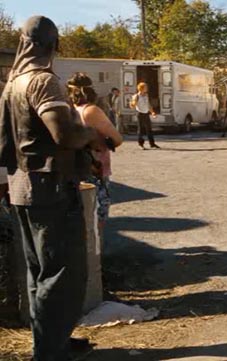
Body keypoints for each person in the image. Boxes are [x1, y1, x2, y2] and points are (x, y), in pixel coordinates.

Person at [0, 16, 100, 360]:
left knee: (39, 273)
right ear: (52, 44)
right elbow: (65, 135)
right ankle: (50, 352)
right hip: (51, 191)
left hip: (22, 190)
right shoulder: (42, 81)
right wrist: (89, 132)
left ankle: (50, 341)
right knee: (62, 275)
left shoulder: (13, 82)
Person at [67, 73, 123, 236]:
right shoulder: (91, 111)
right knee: (97, 217)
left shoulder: (70, 111)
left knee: (81, 217)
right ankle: (93, 257)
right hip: (95, 170)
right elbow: (117, 139)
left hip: (76, 170)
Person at [130, 82, 159, 150]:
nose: (147, 88)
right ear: (141, 88)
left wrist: (152, 112)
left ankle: (152, 144)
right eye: (145, 87)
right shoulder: (137, 96)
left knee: (149, 129)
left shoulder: (146, 95)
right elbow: (133, 105)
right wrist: (132, 103)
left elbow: (148, 105)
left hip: (146, 113)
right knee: (141, 130)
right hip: (140, 114)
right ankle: (141, 144)